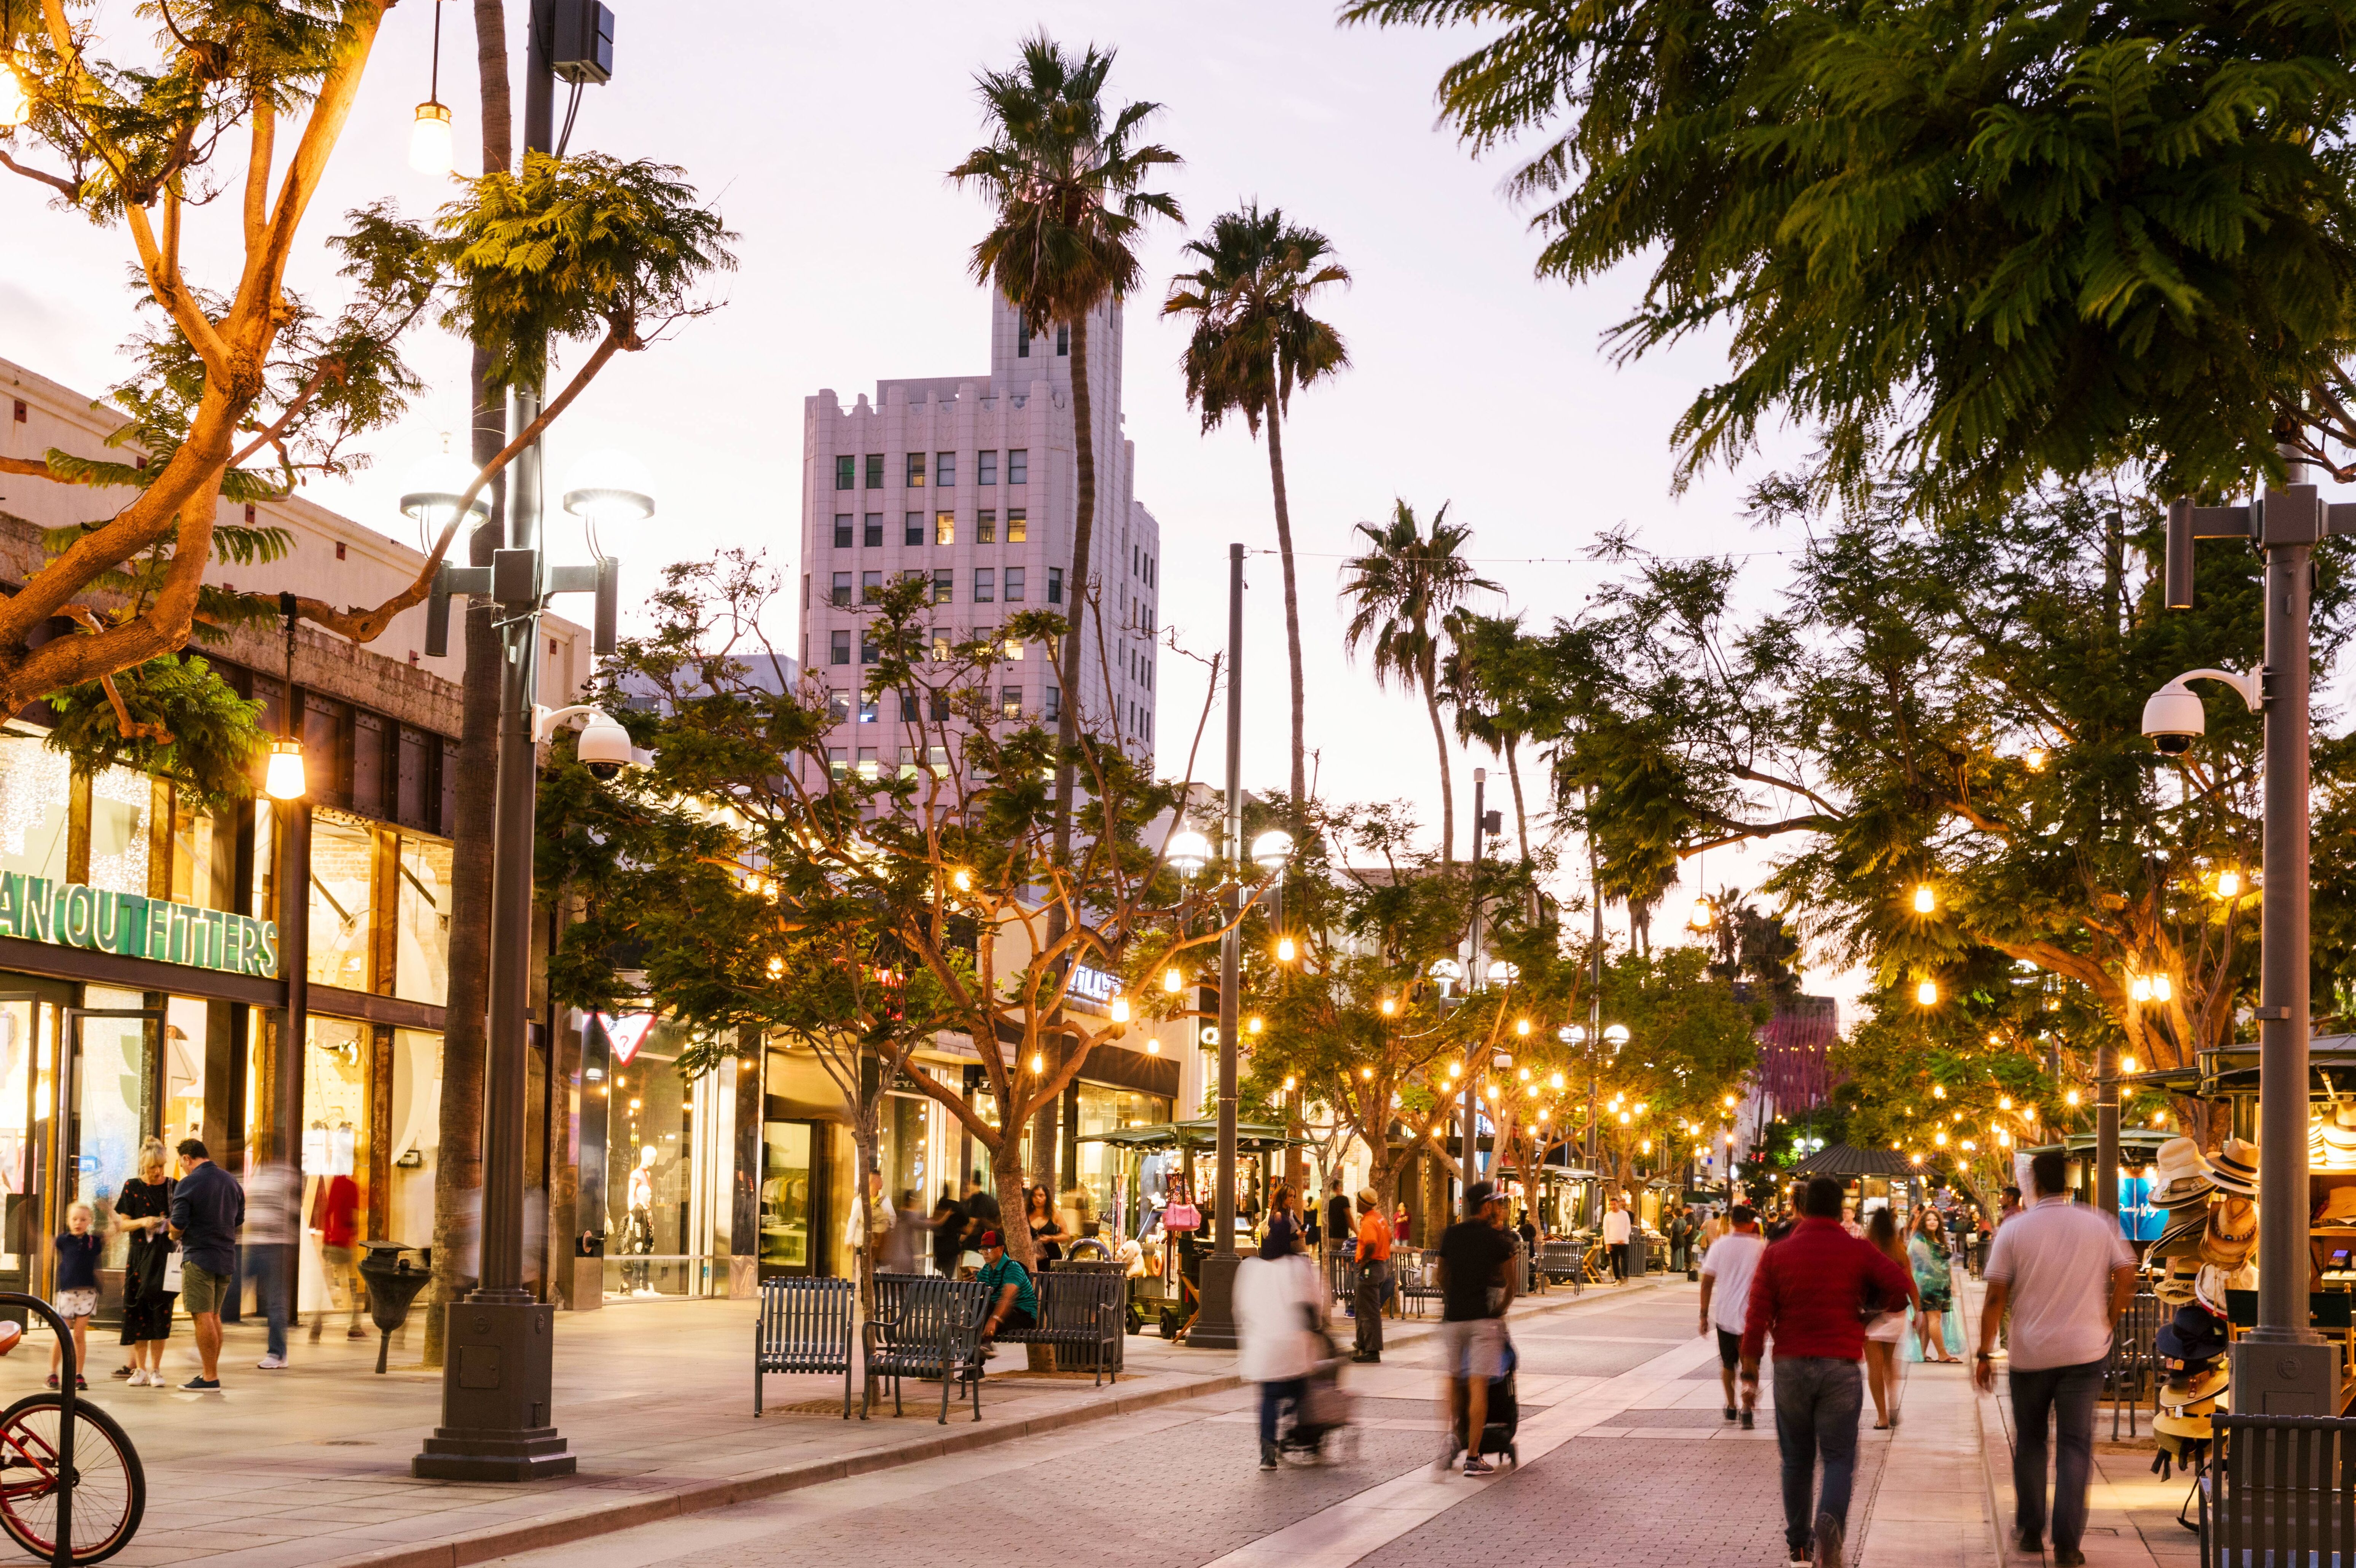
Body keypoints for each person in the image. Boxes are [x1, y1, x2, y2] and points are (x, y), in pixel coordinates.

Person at [1741, 1175, 1918, 1568]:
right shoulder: (1855, 1249)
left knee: (1795, 1459)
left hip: (1789, 1365)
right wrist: (1866, 1316)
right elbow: (1899, 1286)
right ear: (1841, 1210)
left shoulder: (1776, 1253)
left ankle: (1799, 1547)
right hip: (1839, 1366)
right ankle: (1831, 1520)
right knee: (1838, 1457)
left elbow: (1755, 1313)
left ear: (1801, 1210)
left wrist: (1750, 1371)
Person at [1974, 1149, 2138, 1567]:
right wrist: (2109, 1318)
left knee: (2030, 1441)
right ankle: (2067, 1543)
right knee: (2074, 1444)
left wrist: (1982, 1350)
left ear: (2034, 1183)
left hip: (2029, 1353)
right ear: (2067, 1183)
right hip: (2085, 1351)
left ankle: (2030, 1530)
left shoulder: (2014, 1229)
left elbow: (1995, 1295)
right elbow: (2126, 1274)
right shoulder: (2097, 1223)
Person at [1434, 1182, 1516, 1477]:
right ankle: (1472, 1457)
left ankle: (1450, 1437)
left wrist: (1453, 1297)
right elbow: (1511, 1284)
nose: (1498, 1208)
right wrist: (1499, 1311)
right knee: (1478, 1385)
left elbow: (1439, 1274)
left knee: (1453, 1380)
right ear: (1486, 1206)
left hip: (1453, 1318)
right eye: (1495, 1203)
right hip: (1482, 1319)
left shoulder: (1451, 1234)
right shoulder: (1496, 1239)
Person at [1235, 1216, 1328, 1470]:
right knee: (1301, 1392)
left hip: (1265, 1349)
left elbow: (1242, 1308)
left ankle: (1268, 1452)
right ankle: (1302, 1437)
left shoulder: (1250, 1268)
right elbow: (1313, 1304)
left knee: (1268, 1398)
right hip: (1294, 1347)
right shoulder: (1298, 1267)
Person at [169, 1138, 242, 1391]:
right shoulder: (231, 1181)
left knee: (202, 1316)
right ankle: (209, 1372)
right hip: (226, 1256)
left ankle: (210, 1376)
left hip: (199, 1257)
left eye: (182, 1163)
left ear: (188, 1159)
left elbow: (177, 1225)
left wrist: (171, 1232)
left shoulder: (188, 1184)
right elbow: (239, 1218)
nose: (183, 1168)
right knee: (213, 1315)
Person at [113, 1138, 177, 1384]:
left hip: (165, 1257)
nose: (158, 1172)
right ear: (143, 1165)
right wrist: (143, 1222)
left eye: (161, 1166)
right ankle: (140, 1369)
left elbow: (182, 1222)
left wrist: (167, 1225)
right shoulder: (132, 1187)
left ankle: (156, 1370)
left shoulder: (174, 1187)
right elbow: (122, 1224)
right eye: (153, 1167)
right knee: (138, 1311)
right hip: (139, 1257)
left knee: (161, 1310)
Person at [1698, 1203, 1767, 1429]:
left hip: (1725, 1314)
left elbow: (1707, 1282)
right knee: (1751, 1361)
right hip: (1754, 1314)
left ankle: (1731, 1406)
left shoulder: (1720, 1245)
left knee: (1728, 1363)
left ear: (1731, 1222)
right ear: (1751, 1223)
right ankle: (1747, 1410)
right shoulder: (1761, 1247)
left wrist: (1703, 1315)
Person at [243, 1156, 297, 1370]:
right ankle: (205, 1342)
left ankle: (277, 1353)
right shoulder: (258, 1175)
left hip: (277, 1247)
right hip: (256, 1245)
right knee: (232, 1289)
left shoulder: (286, 1176)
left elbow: (292, 1210)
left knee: (276, 1303)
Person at [1862, 1206, 1910, 1428]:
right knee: (1891, 1365)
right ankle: (1893, 1404)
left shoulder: (1867, 1248)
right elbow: (1909, 1283)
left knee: (1875, 1367)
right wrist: (1918, 1311)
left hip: (1873, 1315)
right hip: (1897, 1313)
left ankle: (1882, 1417)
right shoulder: (1900, 1250)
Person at [308, 1166, 364, 1342]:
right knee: (354, 1286)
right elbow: (352, 1216)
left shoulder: (332, 1186)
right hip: (345, 1242)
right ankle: (355, 1327)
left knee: (328, 1285)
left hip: (330, 1242)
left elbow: (325, 1211)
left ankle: (316, 1327)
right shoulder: (351, 1186)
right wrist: (354, 1233)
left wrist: (326, 1237)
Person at [47, 1201, 97, 1390]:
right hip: (67, 1293)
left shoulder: (93, 1242)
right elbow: (49, 1249)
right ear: (69, 1221)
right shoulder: (63, 1240)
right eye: (75, 1219)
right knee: (62, 1333)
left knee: (79, 1335)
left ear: (89, 1221)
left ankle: (79, 1375)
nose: (78, 1223)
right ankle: (52, 1373)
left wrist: (109, 1213)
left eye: (83, 1219)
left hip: (88, 1293)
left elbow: (114, 1233)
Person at [1910, 1209, 1960, 1364]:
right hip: (1929, 1285)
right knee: (1934, 1319)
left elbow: (1945, 1264)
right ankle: (1943, 1354)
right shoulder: (1920, 1240)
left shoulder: (1939, 1239)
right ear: (1923, 1223)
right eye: (1929, 1220)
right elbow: (1923, 1263)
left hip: (1941, 1284)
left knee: (1927, 1321)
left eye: (1935, 1220)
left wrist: (1953, 1284)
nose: (1932, 1222)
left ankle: (1922, 1354)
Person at [973, 1229, 1037, 1349]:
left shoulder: (1013, 1268)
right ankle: (983, 1348)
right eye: (982, 1250)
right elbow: (975, 1294)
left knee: (981, 1317)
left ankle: (983, 1345)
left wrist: (994, 1319)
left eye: (989, 1249)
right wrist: (969, 1283)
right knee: (977, 1306)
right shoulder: (987, 1268)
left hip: (1023, 1315)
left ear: (1001, 1249)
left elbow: (1007, 1298)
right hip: (1001, 1313)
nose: (985, 1254)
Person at [1352, 1188, 1392, 1364]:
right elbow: (1389, 1239)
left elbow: (1371, 1243)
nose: (1356, 1203)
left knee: (1369, 1310)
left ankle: (1372, 1351)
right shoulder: (1380, 1218)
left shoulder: (1368, 1222)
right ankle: (1362, 1342)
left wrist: (1365, 1260)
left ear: (1363, 1204)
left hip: (1371, 1267)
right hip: (1381, 1266)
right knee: (1362, 1307)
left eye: (1357, 1200)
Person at [1024, 1184, 1067, 1267]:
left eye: (1041, 1196)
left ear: (1047, 1197)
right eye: (1034, 1195)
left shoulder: (1055, 1214)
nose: (1037, 1199)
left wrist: (1051, 1238)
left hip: (1052, 1257)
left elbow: (1066, 1235)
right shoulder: (1026, 1214)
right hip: (1032, 1258)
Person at [884, 1188, 925, 1274]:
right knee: (906, 1282)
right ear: (911, 1202)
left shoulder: (901, 1215)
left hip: (897, 1256)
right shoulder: (909, 1216)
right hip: (904, 1257)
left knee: (900, 1282)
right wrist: (941, 1221)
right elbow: (923, 1225)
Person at [928, 1186, 965, 1277]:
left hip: (941, 1250)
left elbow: (936, 1227)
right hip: (950, 1249)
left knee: (946, 1274)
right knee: (949, 1275)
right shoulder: (955, 1208)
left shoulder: (939, 1209)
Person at [1602, 1195, 1633, 1283]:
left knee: (1625, 1260)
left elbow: (1628, 1228)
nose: (1613, 1206)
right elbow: (1606, 1230)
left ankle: (1626, 1277)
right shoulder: (1607, 1216)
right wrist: (1607, 1243)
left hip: (1624, 1242)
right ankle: (1618, 1278)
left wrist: (1624, 1238)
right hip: (1612, 1241)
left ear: (1618, 1204)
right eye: (1611, 1205)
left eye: (1615, 1204)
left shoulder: (1625, 1214)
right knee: (1615, 1261)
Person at [1324, 1180, 1353, 1256]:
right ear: (1338, 1187)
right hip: (1343, 1236)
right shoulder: (1344, 1200)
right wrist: (1356, 1231)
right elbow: (1349, 1216)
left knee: (1334, 1259)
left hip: (1333, 1237)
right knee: (1346, 1259)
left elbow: (1329, 1221)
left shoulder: (1330, 1203)